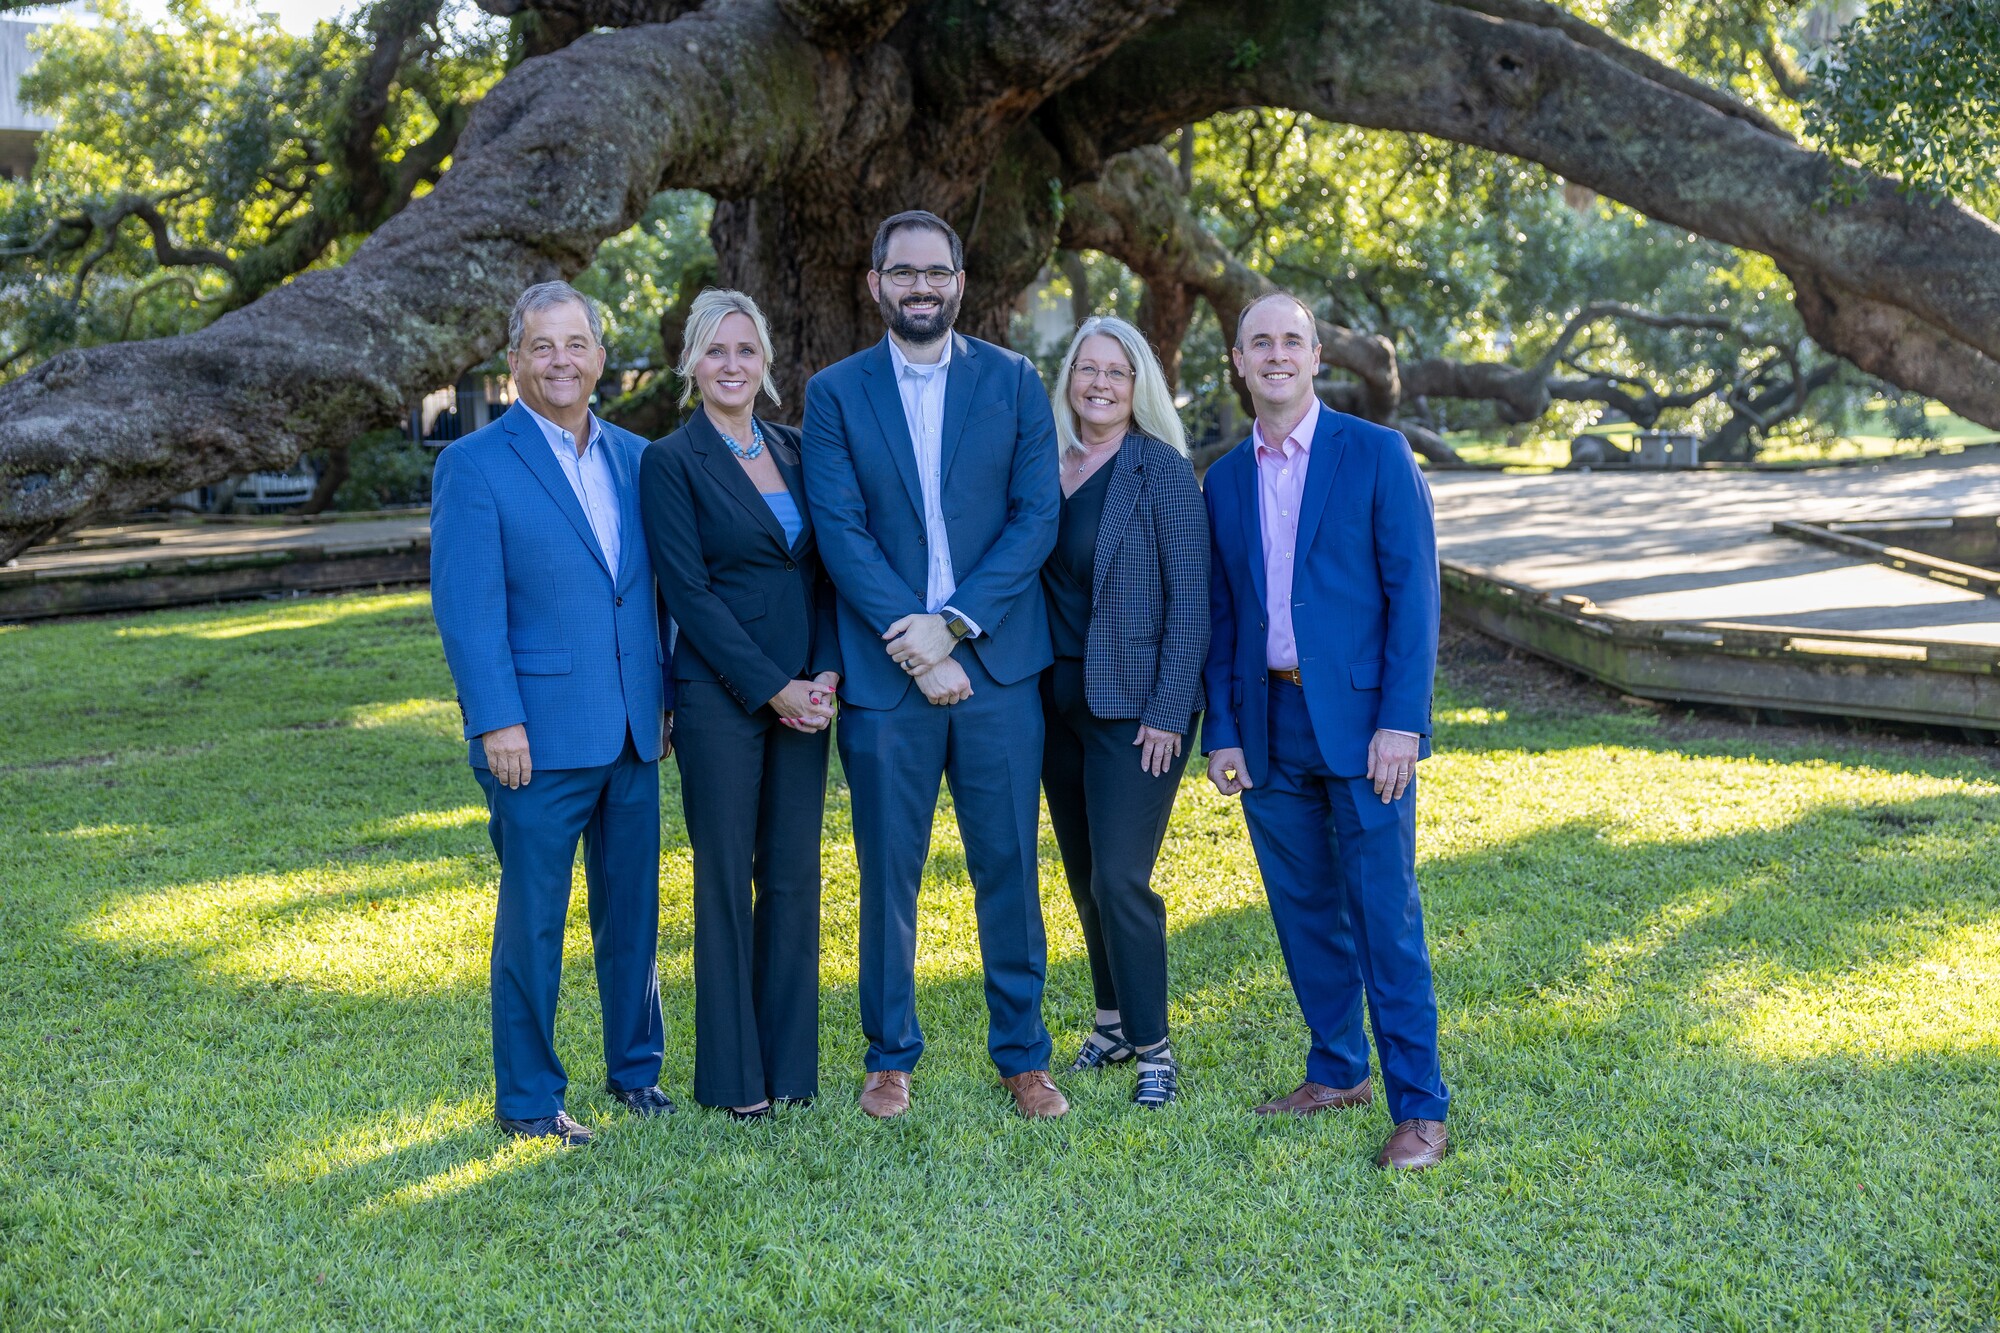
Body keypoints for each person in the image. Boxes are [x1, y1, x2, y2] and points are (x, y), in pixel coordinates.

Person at [801, 209, 1065, 1119]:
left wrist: (952, 627)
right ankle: (889, 1055)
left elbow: (1036, 518)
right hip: (884, 680)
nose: (922, 287)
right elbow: (840, 530)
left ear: (961, 282)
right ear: (874, 284)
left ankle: (1023, 1055)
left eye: (938, 272)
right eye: (904, 273)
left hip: (996, 671)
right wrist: (912, 645)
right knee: (888, 873)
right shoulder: (834, 393)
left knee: (1008, 865)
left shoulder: (1017, 381)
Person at [1199, 291, 1451, 1170]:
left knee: (1385, 914)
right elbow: (1223, 615)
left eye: (1291, 341)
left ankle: (1420, 1107)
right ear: (1238, 361)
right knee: (1304, 912)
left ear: (1316, 359)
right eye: (1258, 342)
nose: (1275, 354)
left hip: (1363, 725)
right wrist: (1223, 730)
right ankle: (1339, 1069)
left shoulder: (1376, 454)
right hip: (1268, 726)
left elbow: (1414, 597)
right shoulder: (1225, 479)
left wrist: (1401, 724)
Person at [430, 281, 674, 1147]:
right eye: (544, 345)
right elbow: (467, 607)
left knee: (632, 915)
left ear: (601, 357)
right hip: (532, 737)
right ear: (515, 362)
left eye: (577, 343)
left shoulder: (642, 459)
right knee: (534, 921)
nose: (561, 360)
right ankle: (530, 1100)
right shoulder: (476, 463)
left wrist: (667, 697)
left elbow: (656, 596)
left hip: (635, 730)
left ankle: (636, 1072)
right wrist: (497, 719)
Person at [639, 289, 840, 1122]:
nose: (732, 366)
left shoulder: (797, 449)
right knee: (726, 881)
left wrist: (825, 675)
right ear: (692, 362)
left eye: (746, 351)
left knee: (793, 877)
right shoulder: (670, 461)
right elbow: (688, 592)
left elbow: (831, 568)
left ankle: (791, 1069)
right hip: (723, 697)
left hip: (809, 695)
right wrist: (772, 685)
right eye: (716, 352)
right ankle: (734, 1079)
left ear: (766, 363)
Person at [1038, 316, 1207, 1109]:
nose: (1100, 383)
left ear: (1139, 384)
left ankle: (1155, 1049)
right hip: (1052, 706)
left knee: (1122, 880)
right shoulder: (1046, 465)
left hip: (1137, 713)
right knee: (1082, 876)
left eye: (1117, 371)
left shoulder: (1162, 471)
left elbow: (1193, 609)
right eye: (1087, 368)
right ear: (1068, 377)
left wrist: (1171, 711)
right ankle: (1109, 1025)